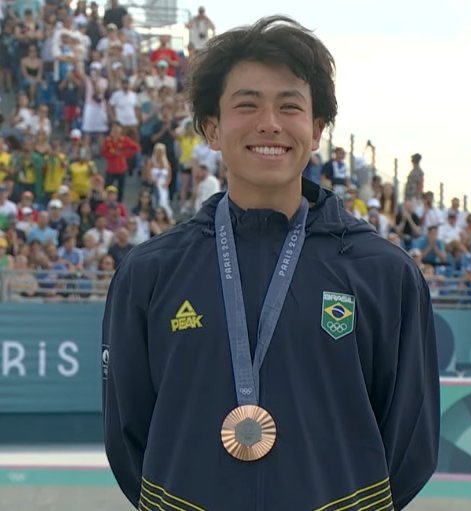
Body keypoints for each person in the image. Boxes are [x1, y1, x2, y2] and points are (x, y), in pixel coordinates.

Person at [103, 16, 439, 511]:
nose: (269, 124)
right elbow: (128, 435)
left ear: (317, 129)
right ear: (211, 128)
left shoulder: (384, 273)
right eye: (247, 104)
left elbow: (410, 443)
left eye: (290, 106)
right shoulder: (150, 273)